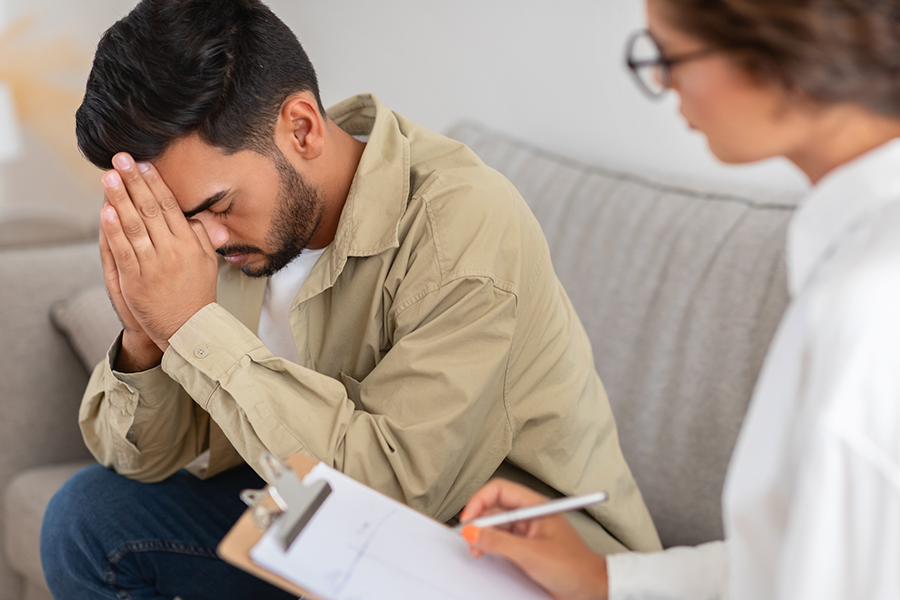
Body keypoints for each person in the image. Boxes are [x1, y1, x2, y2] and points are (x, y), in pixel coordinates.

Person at [39, 0, 663, 598]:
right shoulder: (230, 237)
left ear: (301, 128)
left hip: (491, 546)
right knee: (85, 519)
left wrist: (195, 324)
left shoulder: (462, 224)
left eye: (217, 206)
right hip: (314, 518)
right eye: (179, 219)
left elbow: (390, 495)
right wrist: (149, 331)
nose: (207, 240)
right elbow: (140, 461)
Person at [460, 1, 900, 599]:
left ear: (778, 53)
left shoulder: (870, 309)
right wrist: (606, 577)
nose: (664, 83)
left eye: (670, 56)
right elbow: (792, 554)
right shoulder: (849, 257)